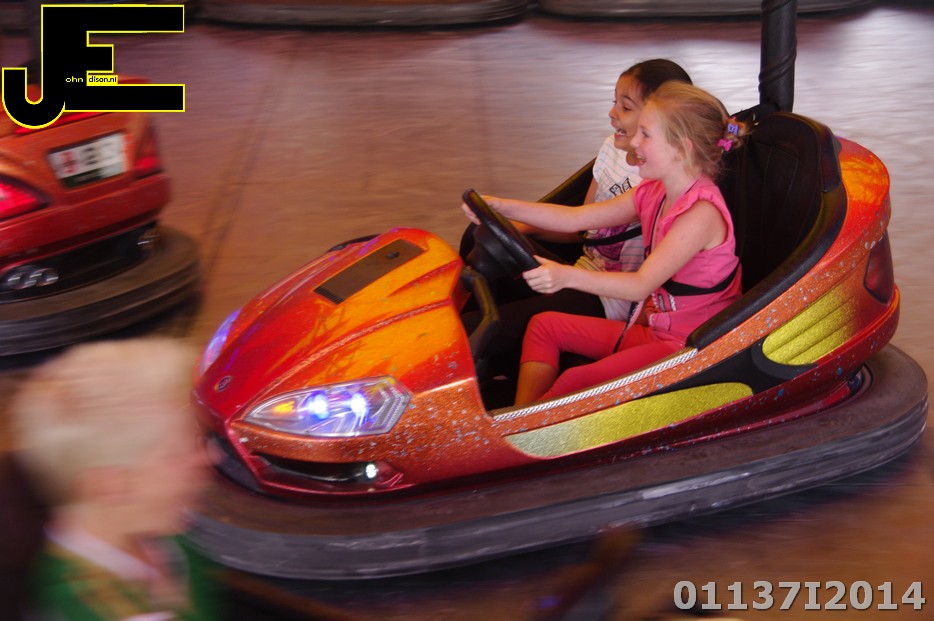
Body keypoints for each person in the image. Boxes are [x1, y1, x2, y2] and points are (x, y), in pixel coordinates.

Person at [478, 82, 744, 404]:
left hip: (690, 346)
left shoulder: (700, 214)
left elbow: (640, 285)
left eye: (646, 134)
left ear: (681, 149)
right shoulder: (655, 191)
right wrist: (501, 207)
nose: (634, 142)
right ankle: (521, 420)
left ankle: (526, 428)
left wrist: (565, 276)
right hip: (656, 330)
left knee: (575, 381)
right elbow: (576, 218)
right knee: (543, 326)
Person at [462, 59, 692, 384]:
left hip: (611, 296)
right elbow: (581, 224)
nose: (612, 113)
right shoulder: (614, 151)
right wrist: (504, 215)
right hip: (584, 268)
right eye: (615, 102)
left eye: (626, 107)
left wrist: (564, 275)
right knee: (477, 236)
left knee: (472, 328)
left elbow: (642, 283)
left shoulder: (662, 185)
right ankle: (496, 359)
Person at [10, 338, 224, 621]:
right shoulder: (97, 608)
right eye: (177, 454)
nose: (211, 456)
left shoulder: (159, 533)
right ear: (111, 486)